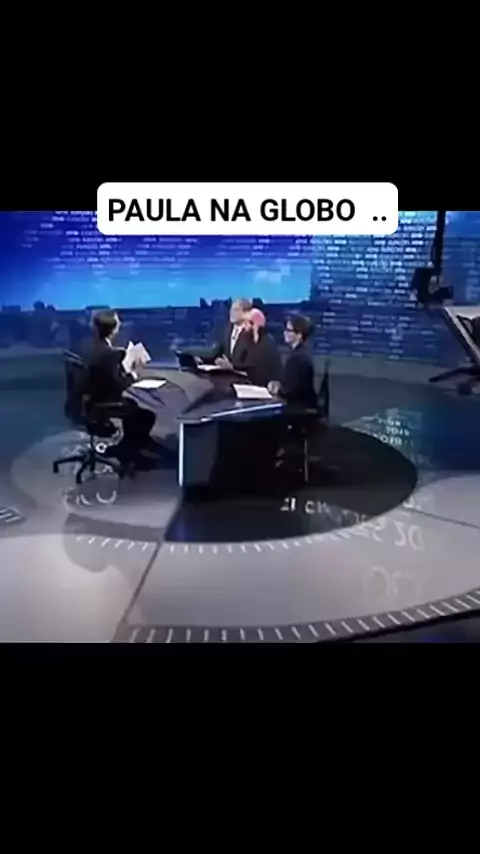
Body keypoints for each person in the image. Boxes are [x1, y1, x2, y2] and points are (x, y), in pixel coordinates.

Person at [83, 310, 157, 466]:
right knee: (145, 415)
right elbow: (119, 384)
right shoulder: (111, 353)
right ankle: (129, 452)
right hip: (104, 402)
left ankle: (128, 446)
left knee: (134, 408)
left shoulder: (89, 348)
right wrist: (132, 375)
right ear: (114, 329)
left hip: (90, 400)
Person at [268, 315, 317, 409]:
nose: (284, 333)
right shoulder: (303, 353)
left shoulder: (297, 358)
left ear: (299, 335)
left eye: (288, 330)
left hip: (297, 408)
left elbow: (290, 391)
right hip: (305, 405)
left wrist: (276, 389)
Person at [207, 298, 253, 371]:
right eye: (231, 310)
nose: (232, 313)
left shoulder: (253, 333)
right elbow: (216, 352)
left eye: (236, 310)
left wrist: (232, 367)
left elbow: (253, 364)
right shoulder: (226, 329)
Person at [241, 308, 283, 387]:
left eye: (246, 323)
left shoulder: (267, 344)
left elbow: (259, 373)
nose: (244, 327)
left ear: (255, 326)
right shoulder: (249, 342)